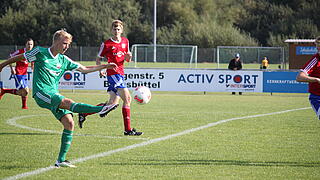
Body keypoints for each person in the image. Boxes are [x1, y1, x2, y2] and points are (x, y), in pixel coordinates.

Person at [0, 29, 118, 168]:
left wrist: (105, 66)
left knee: (69, 123)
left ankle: (60, 160)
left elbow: (84, 69)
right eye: (64, 43)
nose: (67, 47)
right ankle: (101, 108)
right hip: (41, 94)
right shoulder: (39, 52)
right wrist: (2, 65)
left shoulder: (63, 60)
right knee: (68, 103)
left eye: (68, 44)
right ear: (56, 41)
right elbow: (21, 57)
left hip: (53, 94)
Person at [78, 20, 143, 136]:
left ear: (122, 30)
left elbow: (127, 59)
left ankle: (84, 113)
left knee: (112, 103)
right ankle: (128, 130)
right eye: (114, 29)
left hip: (121, 74)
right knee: (127, 99)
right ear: (111, 30)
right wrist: (100, 69)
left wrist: (129, 57)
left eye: (118, 29)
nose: (116, 31)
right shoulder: (107, 44)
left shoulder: (125, 41)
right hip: (113, 74)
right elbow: (98, 58)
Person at [0, 38, 34, 109]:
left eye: (31, 44)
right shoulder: (20, 52)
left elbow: (33, 61)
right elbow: (10, 57)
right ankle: (23, 105)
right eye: (28, 44)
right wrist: (12, 68)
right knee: (25, 91)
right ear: (25, 45)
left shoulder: (31, 53)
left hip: (24, 74)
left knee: (23, 92)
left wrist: (33, 66)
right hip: (18, 74)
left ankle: (5, 91)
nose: (30, 46)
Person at [296, 36, 320, 120]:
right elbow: (299, 77)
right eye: (317, 45)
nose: (318, 48)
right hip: (317, 98)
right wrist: (316, 80)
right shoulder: (315, 60)